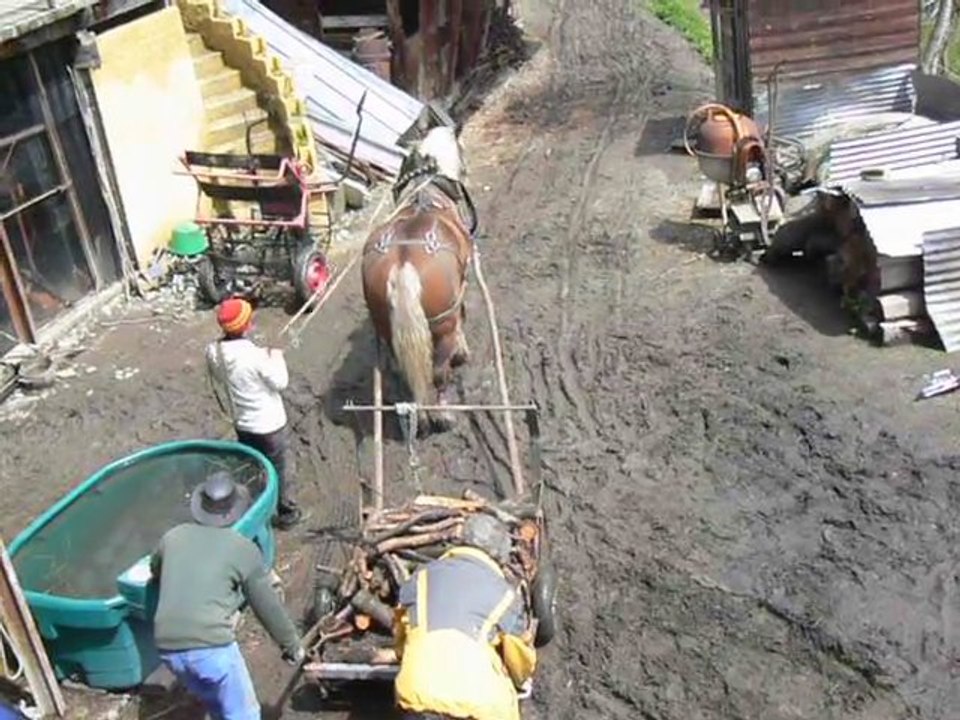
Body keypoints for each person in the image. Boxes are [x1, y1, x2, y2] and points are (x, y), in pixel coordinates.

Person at [150, 472, 304, 720]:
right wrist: (291, 645)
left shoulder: (173, 537)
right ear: (235, 511)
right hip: (211, 648)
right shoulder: (242, 549)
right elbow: (266, 605)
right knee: (244, 713)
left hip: (169, 650)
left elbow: (155, 572)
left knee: (216, 703)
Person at [392, 514, 538, 720]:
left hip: (418, 696)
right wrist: (520, 676)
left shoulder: (420, 577)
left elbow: (399, 635)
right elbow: (519, 662)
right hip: (480, 706)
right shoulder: (505, 595)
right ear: (500, 554)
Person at [206, 297, 301, 530]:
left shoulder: (213, 351)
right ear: (246, 325)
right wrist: (276, 357)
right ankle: (286, 513)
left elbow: (220, 376)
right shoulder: (256, 356)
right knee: (279, 469)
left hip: (242, 424)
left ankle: (255, 505)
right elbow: (281, 382)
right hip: (269, 426)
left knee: (254, 466)